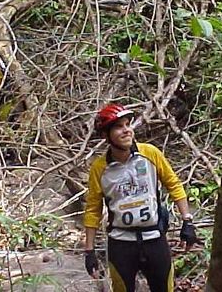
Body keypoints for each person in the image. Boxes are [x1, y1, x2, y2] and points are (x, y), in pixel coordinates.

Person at [83, 103, 198, 292]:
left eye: (128, 124)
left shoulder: (150, 153)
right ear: (106, 135)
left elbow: (174, 185)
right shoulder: (99, 168)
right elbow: (93, 209)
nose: (127, 130)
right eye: (119, 126)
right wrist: (89, 251)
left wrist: (187, 221)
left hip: (154, 238)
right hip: (120, 244)